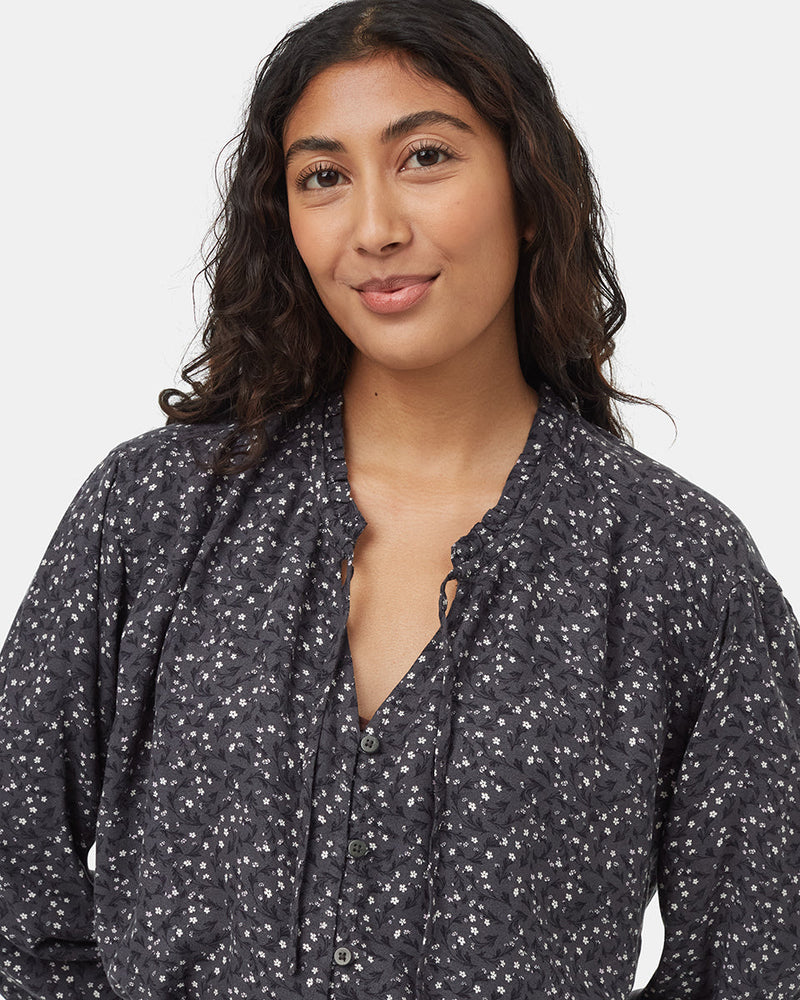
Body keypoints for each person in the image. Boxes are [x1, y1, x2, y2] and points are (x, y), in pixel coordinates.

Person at [1, 0, 798, 997]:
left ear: (527, 187)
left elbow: (755, 961)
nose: (374, 229)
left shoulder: (676, 564)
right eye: (323, 177)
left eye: (425, 157)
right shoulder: (151, 513)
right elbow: (13, 878)